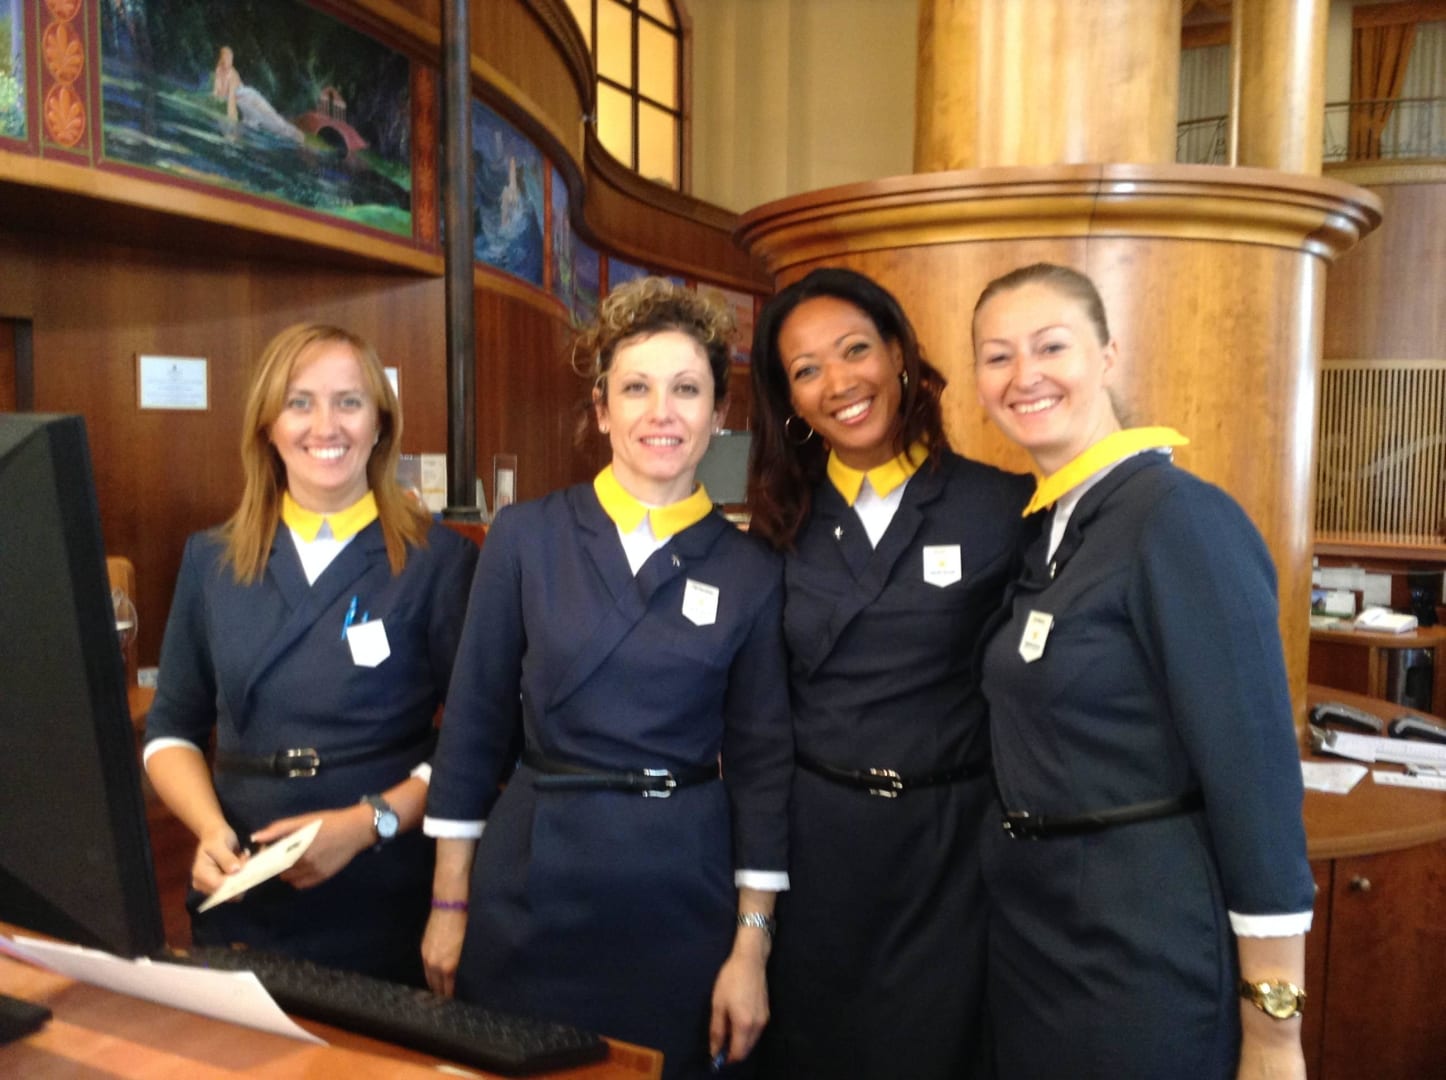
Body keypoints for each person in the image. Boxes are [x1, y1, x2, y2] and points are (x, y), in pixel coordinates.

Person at [422, 278, 793, 1080]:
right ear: (600, 410)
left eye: (686, 389)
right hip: (533, 879)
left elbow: (762, 770)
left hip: (681, 890)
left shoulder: (751, 570)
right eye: (636, 388)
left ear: (718, 414)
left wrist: (751, 947)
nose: (662, 412)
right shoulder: (526, 537)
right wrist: (449, 904)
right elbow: (474, 732)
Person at [970, 263, 1313, 1079]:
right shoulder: (1053, 528)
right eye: (997, 356)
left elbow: (1256, 782)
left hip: (1139, 937)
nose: (1024, 375)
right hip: (1035, 932)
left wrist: (1274, 1029)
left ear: (1108, 355)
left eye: (1051, 346)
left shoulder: (1180, 519)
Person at [745, 267, 1034, 1079]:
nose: (838, 383)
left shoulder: (1001, 507)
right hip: (817, 845)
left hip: (949, 851)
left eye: (855, 350)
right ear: (789, 400)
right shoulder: (778, 521)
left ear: (899, 353)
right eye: (807, 370)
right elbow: (759, 717)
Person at [144, 323, 477, 986]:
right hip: (243, 887)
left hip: (382, 891)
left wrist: (367, 824)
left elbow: (475, 747)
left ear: (380, 424)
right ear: (267, 425)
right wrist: (209, 831)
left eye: (349, 402)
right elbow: (170, 732)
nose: (326, 425)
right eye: (300, 402)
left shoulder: (438, 562)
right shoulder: (211, 560)